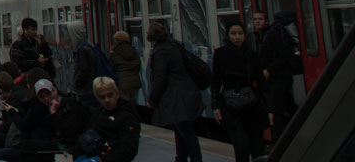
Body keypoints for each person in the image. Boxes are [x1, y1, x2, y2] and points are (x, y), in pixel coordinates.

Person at [147, 21, 202, 162]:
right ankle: (181, 158)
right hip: (186, 92)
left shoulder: (161, 52)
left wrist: (152, 99)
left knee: (185, 131)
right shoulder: (174, 45)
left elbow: (160, 78)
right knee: (181, 130)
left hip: (176, 97)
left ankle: (193, 159)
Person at [212, 17, 265, 162]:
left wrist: (269, 108)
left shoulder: (252, 55)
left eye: (240, 33)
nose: (237, 37)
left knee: (257, 147)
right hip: (230, 106)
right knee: (241, 146)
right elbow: (215, 81)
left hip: (251, 105)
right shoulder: (221, 54)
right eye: (233, 34)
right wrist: (215, 106)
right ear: (228, 36)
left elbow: (260, 82)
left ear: (244, 35)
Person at [71, 77, 142, 162]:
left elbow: (128, 151)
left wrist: (102, 160)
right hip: (95, 155)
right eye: (102, 97)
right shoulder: (98, 114)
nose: (107, 100)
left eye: (110, 95)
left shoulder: (128, 117)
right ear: (97, 98)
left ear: (117, 94)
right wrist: (69, 154)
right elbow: (86, 140)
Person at [259, 11, 301, 138]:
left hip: (278, 78)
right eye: (255, 19)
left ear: (267, 21)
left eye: (260, 19)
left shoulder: (272, 35)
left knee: (276, 111)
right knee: (288, 106)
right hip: (282, 77)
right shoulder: (265, 34)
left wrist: (268, 70)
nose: (257, 22)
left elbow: (282, 56)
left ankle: (280, 142)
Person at [70, 22, 97, 108]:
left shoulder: (81, 49)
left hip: (86, 89)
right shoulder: (89, 45)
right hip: (90, 87)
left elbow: (84, 69)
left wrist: (77, 84)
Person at [110, 31, 142, 105]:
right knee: (133, 102)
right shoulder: (133, 50)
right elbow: (138, 65)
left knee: (124, 104)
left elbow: (112, 66)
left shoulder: (115, 52)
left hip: (122, 82)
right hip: (135, 82)